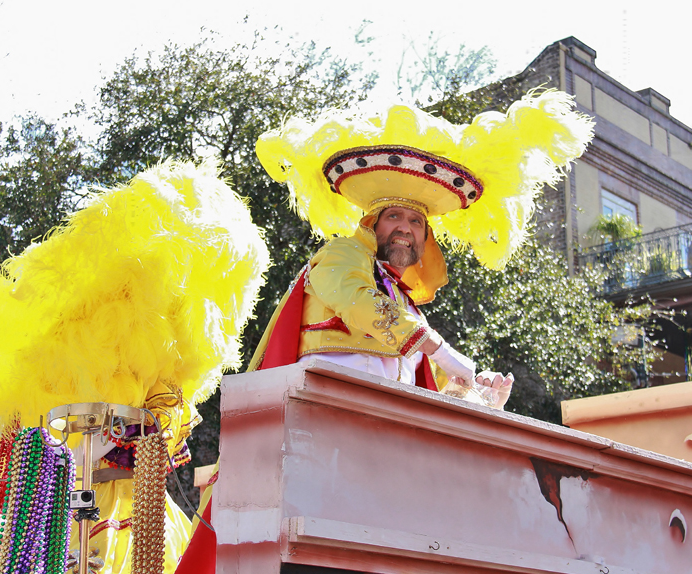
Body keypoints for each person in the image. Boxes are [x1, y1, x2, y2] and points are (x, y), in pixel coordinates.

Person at [249, 92, 594, 403]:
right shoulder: (342, 253)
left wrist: (479, 395)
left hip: (378, 435)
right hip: (322, 416)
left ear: (424, 237)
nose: (405, 228)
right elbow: (358, 301)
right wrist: (442, 351)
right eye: (394, 216)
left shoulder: (410, 311)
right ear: (371, 223)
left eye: (416, 222)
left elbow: (436, 396)